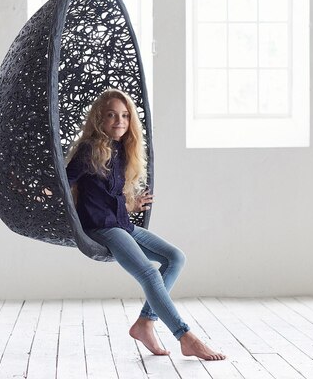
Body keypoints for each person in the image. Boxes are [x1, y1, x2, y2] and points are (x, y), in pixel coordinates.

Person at [65, 88, 226, 361]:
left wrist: (130, 205)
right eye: (112, 115)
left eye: (125, 116)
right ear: (98, 119)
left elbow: (104, 197)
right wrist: (31, 191)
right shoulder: (88, 150)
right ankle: (185, 337)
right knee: (149, 274)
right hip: (101, 229)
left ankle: (144, 323)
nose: (120, 121)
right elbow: (63, 184)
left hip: (121, 223)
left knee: (175, 258)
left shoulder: (119, 150)